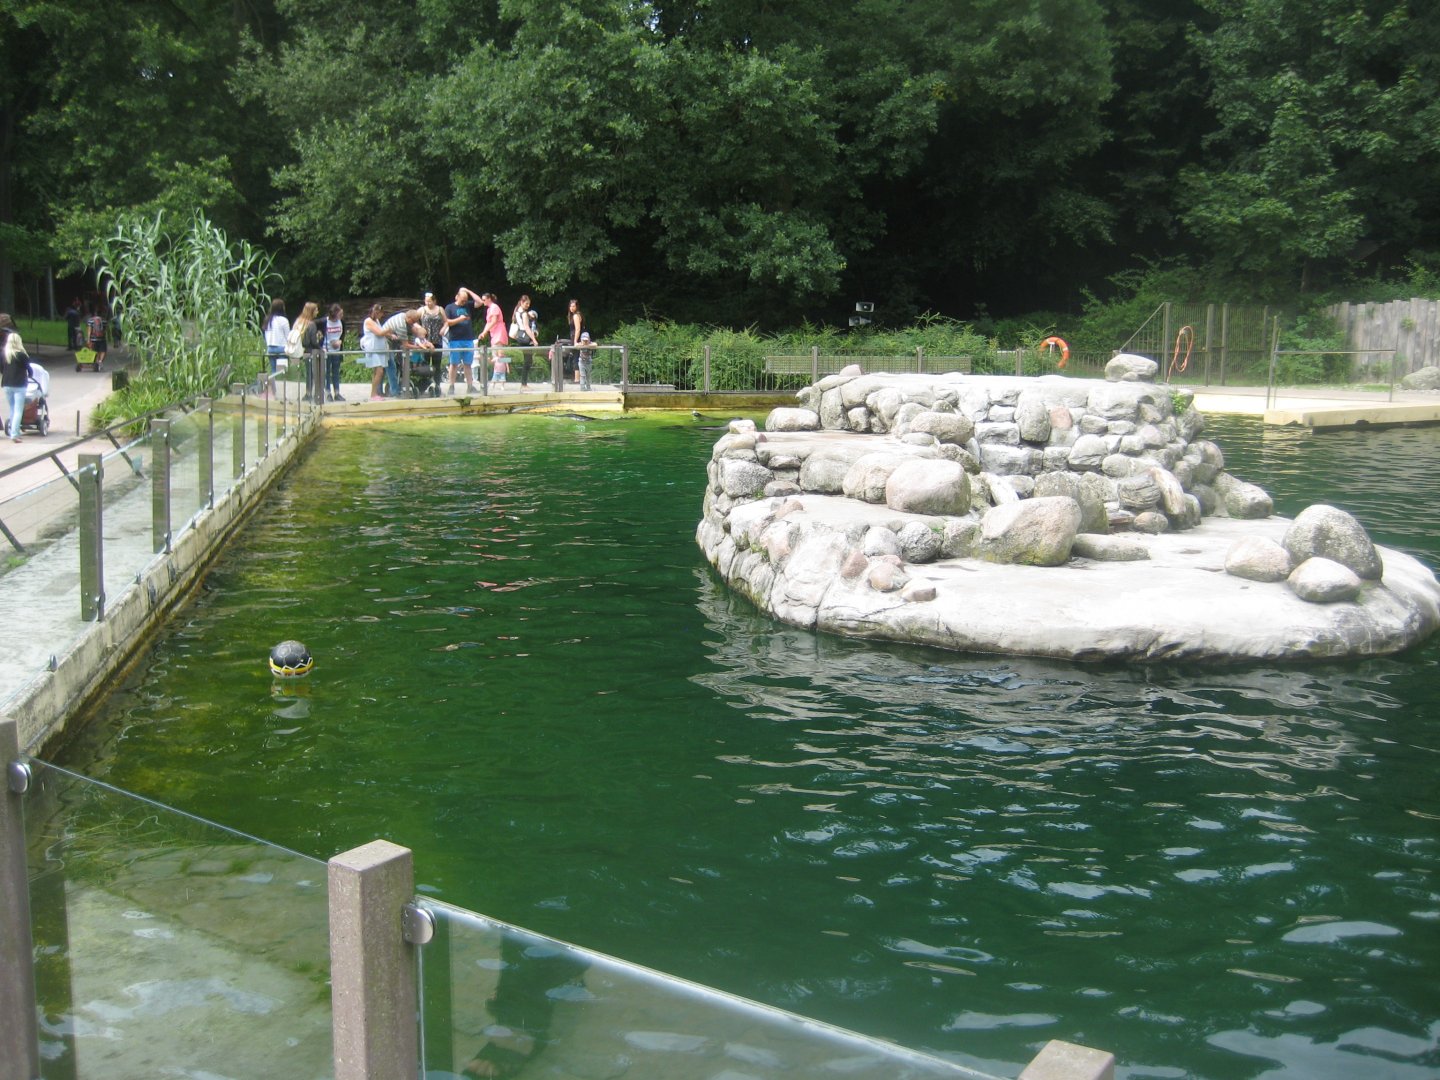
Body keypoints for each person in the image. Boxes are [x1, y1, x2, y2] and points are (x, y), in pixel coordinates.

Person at [379, 308, 431, 397]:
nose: (414, 323)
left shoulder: (404, 316)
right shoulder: (401, 325)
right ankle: (394, 391)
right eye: (413, 321)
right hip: (385, 344)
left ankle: (381, 391)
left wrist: (425, 341)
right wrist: (419, 347)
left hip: (392, 343)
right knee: (391, 367)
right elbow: (405, 345)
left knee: (384, 368)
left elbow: (415, 331)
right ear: (409, 318)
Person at [443, 287, 483, 396]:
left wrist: (467, 291)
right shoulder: (450, 307)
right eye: (462, 300)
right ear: (457, 297)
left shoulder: (467, 305)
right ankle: (451, 386)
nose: (463, 302)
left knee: (468, 364)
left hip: (468, 339)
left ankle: (470, 386)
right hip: (455, 339)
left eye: (465, 300)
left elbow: (480, 302)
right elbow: (447, 322)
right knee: (454, 364)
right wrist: (459, 319)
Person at [1, 326, 33, 443]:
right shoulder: (21, 355)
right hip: (19, 384)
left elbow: (1, 369)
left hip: (7, 384)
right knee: (18, 410)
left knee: (12, 408)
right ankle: (14, 434)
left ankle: (13, 431)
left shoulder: (4, 355)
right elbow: (29, 369)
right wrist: (30, 375)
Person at [417, 292, 447, 398]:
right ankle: (423, 386)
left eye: (429, 301)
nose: (428, 303)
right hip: (425, 342)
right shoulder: (422, 310)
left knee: (436, 365)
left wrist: (443, 328)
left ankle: (437, 386)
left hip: (437, 341)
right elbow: (413, 320)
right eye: (426, 301)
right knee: (425, 365)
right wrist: (420, 328)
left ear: (434, 301)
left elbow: (446, 322)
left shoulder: (440, 309)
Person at [294, 302, 324, 403]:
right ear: (311, 311)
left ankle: (307, 393)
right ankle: (314, 394)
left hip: (300, 351)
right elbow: (313, 342)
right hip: (311, 352)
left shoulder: (298, 322)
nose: (317, 312)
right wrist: (320, 346)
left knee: (307, 373)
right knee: (313, 373)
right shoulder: (311, 324)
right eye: (316, 310)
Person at [360, 303, 389, 400]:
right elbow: (379, 333)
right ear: (377, 312)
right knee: (379, 371)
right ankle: (373, 394)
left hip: (379, 349)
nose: (382, 315)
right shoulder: (368, 321)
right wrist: (390, 328)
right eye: (381, 313)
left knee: (377, 372)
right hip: (373, 350)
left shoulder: (376, 321)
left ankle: (375, 393)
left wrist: (390, 335)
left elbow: (381, 331)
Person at [510, 295, 539, 388]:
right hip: (525, 338)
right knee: (528, 361)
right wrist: (534, 340)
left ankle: (524, 383)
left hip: (520, 337)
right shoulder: (524, 314)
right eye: (526, 303)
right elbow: (526, 327)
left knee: (527, 361)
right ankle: (524, 384)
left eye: (529, 304)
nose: (528, 305)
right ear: (522, 302)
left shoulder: (517, 311)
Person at [480, 291, 508, 386]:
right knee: (495, 356)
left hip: (499, 332)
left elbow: (494, 321)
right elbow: (488, 323)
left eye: (484, 299)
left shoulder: (494, 307)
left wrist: (485, 332)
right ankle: (497, 378)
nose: (483, 301)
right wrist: (484, 332)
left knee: (499, 355)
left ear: (489, 299)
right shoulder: (489, 309)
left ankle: (503, 372)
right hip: (494, 333)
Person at [262, 298, 289, 377]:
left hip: (270, 348)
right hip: (282, 348)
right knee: (282, 371)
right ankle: (282, 383)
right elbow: (287, 336)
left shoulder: (267, 320)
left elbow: (265, 335)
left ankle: (274, 384)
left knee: (274, 370)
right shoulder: (283, 320)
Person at [324, 303, 346, 402]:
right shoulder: (325, 322)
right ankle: (328, 393)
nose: (341, 316)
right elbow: (322, 335)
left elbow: (342, 334)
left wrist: (340, 341)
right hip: (327, 351)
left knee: (336, 372)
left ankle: (337, 393)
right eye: (340, 314)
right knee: (327, 372)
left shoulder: (341, 322)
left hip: (337, 351)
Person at [566, 299, 587, 384]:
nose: (571, 308)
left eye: (573, 306)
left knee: (576, 358)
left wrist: (575, 341)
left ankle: (577, 379)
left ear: (577, 307)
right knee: (577, 357)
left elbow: (578, 329)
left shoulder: (575, 316)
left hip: (576, 339)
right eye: (570, 306)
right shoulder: (577, 315)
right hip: (577, 338)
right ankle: (578, 378)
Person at [86, 303, 108, 371]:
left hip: (93, 339)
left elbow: (89, 331)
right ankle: (100, 362)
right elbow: (105, 330)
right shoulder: (104, 320)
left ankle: (97, 363)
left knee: (95, 351)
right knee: (103, 350)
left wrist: (88, 339)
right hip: (102, 339)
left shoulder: (90, 320)